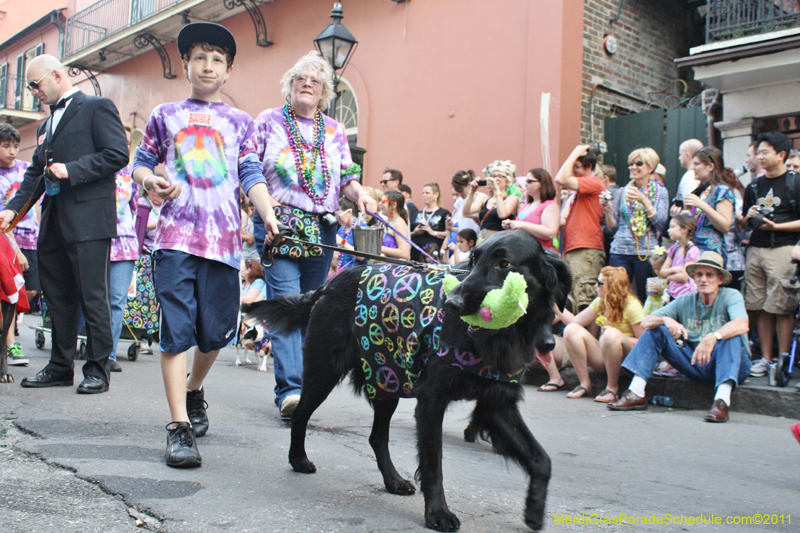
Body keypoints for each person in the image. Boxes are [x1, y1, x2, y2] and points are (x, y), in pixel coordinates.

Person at [132, 23, 280, 467]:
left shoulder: (241, 122)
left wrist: (268, 212)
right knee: (176, 330)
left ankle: (194, 390)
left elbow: (251, 173)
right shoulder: (165, 114)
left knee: (215, 333)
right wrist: (152, 180)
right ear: (186, 65)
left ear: (229, 70)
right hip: (174, 240)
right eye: (200, 57)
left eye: (217, 59)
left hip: (223, 244)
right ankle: (178, 427)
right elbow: (140, 164)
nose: (208, 66)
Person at [250, 50, 376, 419]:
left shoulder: (334, 129)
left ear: (323, 93)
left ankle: (307, 384)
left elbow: (347, 178)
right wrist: (265, 207)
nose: (307, 84)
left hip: (322, 227)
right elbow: (250, 169)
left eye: (315, 81)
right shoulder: (269, 121)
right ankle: (291, 392)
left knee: (311, 307)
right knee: (288, 301)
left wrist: (363, 196)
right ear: (289, 87)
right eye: (300, 79)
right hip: (281, 225)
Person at [0, 55, 128, 394]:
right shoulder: (44, 125)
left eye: (35, 84)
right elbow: (34, 175)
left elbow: (117, 154)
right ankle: (59, 366)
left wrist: (72, 169)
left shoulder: (97, 107)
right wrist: (13, 211)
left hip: (89, 220)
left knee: (92, 296)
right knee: (57, 297)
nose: (33, 92)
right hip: (54, 221)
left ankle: (98, 370)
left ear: (56, 75)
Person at [608, 251, 751, 423]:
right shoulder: (686, 300)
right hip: (696, 362)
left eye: (709, 275)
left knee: (731, 335)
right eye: (699, 274)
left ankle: (721, 401)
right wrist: (666, 320)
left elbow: (742, 324)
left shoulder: (731, 295)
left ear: (720, 279)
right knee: (657, 330)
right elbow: (645, 322)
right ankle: (636, 392)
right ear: (693, 278)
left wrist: (713, 337)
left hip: (733, 365)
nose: (704, 279)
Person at [742, 132, 800, 378]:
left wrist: (778, 227)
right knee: (760, 307)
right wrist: (748, 216)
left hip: (783, 249)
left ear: (781, 155)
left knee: (782, 307)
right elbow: (744, 221)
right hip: (756, 249)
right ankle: (766, 359)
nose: (760, 157)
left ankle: (782, 360)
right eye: (758, 152)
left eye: (765, 152)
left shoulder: (795, 182)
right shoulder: (754, 186)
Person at [560, 266, 644, 402]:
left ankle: (612, 389)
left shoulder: (632, 305)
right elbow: (575, 322)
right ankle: (584, 385)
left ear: (612, 286)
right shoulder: (601, 301)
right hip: (605, 356)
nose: (595, 286)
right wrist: (556, 306)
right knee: (571, 329)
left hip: (628, 362)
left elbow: (645, 344)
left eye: (600, 283)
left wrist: (618, 335)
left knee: (611, 334)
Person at [604, 147, 669, 303]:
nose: (632, 167)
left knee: (645, 296)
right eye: (631, 163)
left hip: (646, 252)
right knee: (616, 296)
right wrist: (607, 211)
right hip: (620, 250)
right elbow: (613, 227)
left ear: (650, 167)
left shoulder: (660, 192)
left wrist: (644, 200)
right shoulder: (621, 192)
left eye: (638, 163)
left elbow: (660, 224)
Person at [105, 125, 139, 373]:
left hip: (125, 244)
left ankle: (108, 353)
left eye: (127, 142)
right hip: (97, 241)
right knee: (94, 299)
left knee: (117, 301)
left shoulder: (132, 175)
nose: (123, 145)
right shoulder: (96, 168)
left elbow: (135, 209)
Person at [555, 145, 607, 310]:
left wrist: (575, 152)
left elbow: (561, 179)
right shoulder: (582, 192)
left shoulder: (594, 183)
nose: (573, 172)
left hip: (586, 248)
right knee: (575, 298)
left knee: (586, 299)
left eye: (576, 167)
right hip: (576, 249)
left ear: (589, 167)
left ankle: (586, 336)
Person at [0, 123, 35, 366]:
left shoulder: (26, 170)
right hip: (7, 240)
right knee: (10, 294)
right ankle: (10, 345)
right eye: (5, 146)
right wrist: (16, 250)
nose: (12, 151)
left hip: (32, 236)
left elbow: (37, 204)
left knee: (31, 290)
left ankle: (8, 335)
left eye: (15, 146)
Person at [682, 147, 734, 262]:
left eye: (696, 164)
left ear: (710, 167)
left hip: (712, 254)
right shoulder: (702, 190)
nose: (693, 168)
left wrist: (702, 205)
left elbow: (725, 226)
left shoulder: (722, 190)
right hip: (694, 252)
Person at [463, 160, 520, 245]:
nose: (496, 179)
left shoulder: (512, 198)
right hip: (482, 241)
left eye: (500, 176)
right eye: (493, 176)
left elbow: (502, 214)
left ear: (507, 180)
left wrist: (497, 191)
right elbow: (466, 211)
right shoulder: (485, 200)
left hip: (499, 242)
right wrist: (471, 192)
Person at [502, 168, 558, 252]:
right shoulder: (526, 205)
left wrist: (522, 224)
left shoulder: (550, 205)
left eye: (530, 181)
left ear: (541, 184)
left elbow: (550, 233)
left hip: (540, 253)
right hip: (524, 252)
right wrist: (511, 225)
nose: (525, 184)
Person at [661, 214, 700, 299]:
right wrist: (677, 269)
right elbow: (662, 272)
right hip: (671, 293)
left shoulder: (692, 250)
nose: (668, 230)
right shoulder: (673, 249)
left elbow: (683, 277)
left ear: (684, 229)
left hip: (686, 294)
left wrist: (669, 277)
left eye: (672, 227)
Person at [409, 182, 451, 262]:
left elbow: (449, 234)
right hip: (416, 254)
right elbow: (407, 234)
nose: (424, 195)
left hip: (433, 254)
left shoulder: (444, 213)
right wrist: (415, 232)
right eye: (423, 193)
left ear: (436, 195)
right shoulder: (417, 214)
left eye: (427, 193)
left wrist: (433, 232)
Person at [332, 197, 368, 272]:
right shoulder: (341, 229)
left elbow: (362, 256)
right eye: (335, 217)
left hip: (356, 273)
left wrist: (343, 243)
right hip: (341, 273)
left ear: (349, 212)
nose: (337, 219)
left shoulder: (361, 228)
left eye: (338, 216)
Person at [379, 190, 410, 261]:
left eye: (383, 201)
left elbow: (404, 252)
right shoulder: (387, 221)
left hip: (392, 268)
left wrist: (379, 248)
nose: (380, 204)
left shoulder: (399, 223)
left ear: (393, 205)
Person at [449, 169, 482, 235]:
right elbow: (462, 224)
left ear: (469, 184)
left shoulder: (481, 198)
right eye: (458, 191)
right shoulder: (460, 201)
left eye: (461, 190)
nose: (460, 194)